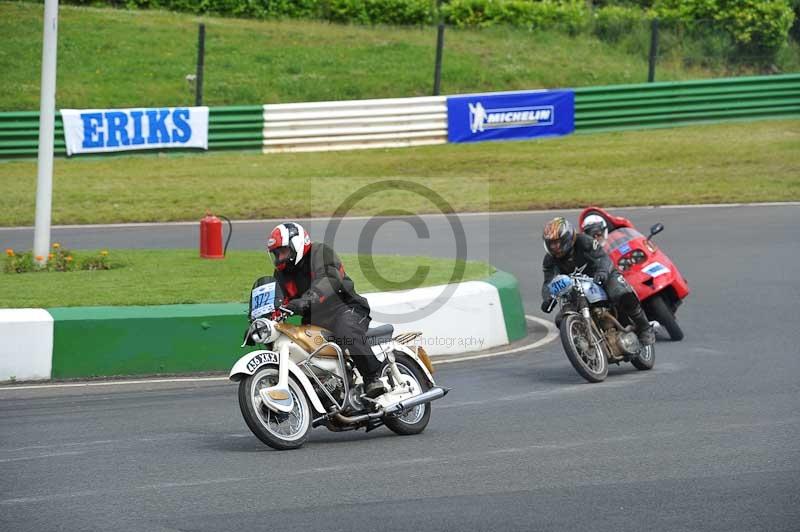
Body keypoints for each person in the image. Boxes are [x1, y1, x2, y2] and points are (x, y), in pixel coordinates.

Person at [266, 222, 385, 397]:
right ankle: (329, 389)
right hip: (314, 320)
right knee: (301, 348)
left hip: (345, 308)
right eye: (276, 254)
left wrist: (305, 301)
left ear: (296, 245)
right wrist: (266, 318)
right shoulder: (281, 275)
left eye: (283, 251)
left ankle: (372, 378)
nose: (280, 258)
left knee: (346, 331)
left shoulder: (320, 253)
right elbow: (278, 301)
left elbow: (329, 279)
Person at [540, 217, 655, 346]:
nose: (555, 247)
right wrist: (547, 298)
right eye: (551, 244)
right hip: (575, 289)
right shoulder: (549, 260)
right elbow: (548, 282)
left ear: (567, 238)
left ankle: (645, 328)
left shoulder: (584, 241)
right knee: (560, 320)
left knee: (621, 294)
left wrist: (602, 272)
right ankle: (582, 346)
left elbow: (603, 257)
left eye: (558, 242)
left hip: (601, 276)